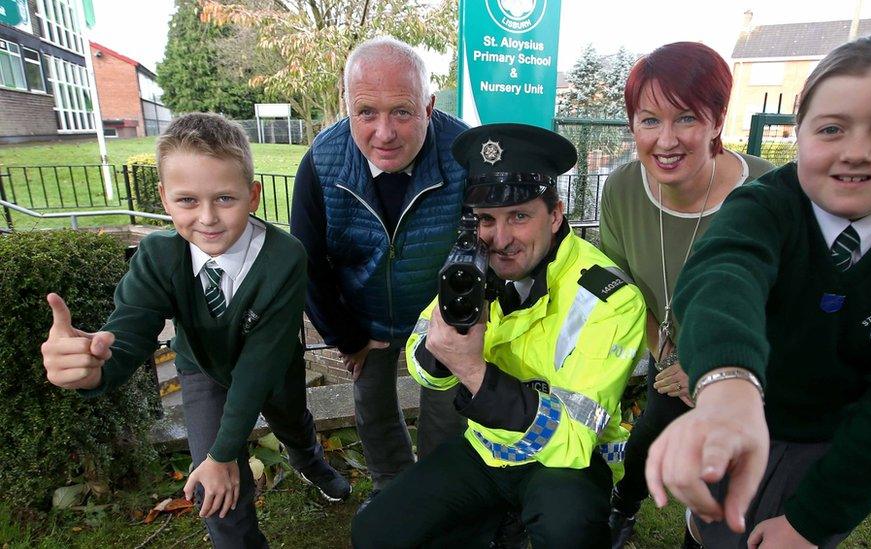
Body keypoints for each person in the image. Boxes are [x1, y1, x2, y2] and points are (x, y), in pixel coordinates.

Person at [645, 32, 871, 549]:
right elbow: (722, 275)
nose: (857, 152)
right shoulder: (763, 205)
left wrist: (810, 522)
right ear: (799, 133)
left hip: (838, 440)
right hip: (746, 410)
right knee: (715, 534)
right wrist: (727, 383)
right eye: (831, 129)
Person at [40, 113, 351, 548]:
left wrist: (225, 450)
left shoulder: (285, 256)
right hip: (202, 368)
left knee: (292, 422)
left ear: (253, 195)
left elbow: (260, 361)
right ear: (165, 198)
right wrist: (98, 367)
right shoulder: (157, 255)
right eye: (187, 201)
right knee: (213, 486)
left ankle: (310, 462)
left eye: (225, 198)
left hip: (273, 368)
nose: (207, 218)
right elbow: (132, 327)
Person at [350, 123, 647, 548]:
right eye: (487, 219)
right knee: (375, 532)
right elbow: (424, 363)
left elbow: (572, 439)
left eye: (520, 216)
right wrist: (448, 341)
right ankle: (494, 529)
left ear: (556, 214)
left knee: (569, 533)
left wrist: (472, 369)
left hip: (566, 463)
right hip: (489, 446)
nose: (501, 239)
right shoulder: (473, 263)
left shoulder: (610, 298)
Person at [598, 42, 774, 548]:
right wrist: (665, 353)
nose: (666, 140)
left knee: (725, 474)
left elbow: (783, 304)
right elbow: (623, 288)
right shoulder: (623, 189)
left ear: (717, 120)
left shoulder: (768, 190)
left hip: (748, 365)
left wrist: (712, 369)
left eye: (687, 119)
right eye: (649, 120)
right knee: (647, 441)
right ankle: (624, 505)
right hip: (667, 355)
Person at [290, 36, 469, 506]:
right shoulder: (321, 161)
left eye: (402, 112)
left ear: (429, 106)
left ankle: (438, 490)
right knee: (372, 406)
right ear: (347, 106)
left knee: (447, 410)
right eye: (366, 112)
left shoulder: (465, 154)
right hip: (366, 315)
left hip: (443, 316)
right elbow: (308, 260)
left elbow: (491, 241)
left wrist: (464, 318)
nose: (384, 132)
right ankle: (392, 489)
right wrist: (346, 336)